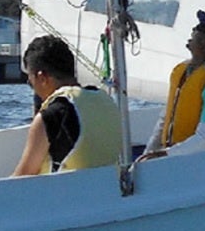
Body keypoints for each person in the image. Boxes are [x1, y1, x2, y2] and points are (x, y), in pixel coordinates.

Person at [11, 35, 122, 176]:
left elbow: (22, 178)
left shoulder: (51, 117)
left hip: (66, 195)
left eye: (30, 81)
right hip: (107, 191)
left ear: (42, 78)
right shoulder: (105, 101)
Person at [141, 10, 205, 162]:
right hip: (174, 158)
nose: (193, 30)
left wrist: (166, 154)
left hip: (203, 165)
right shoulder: (182, 72)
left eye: (198, 31)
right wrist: (148, 154)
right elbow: (165, 118)